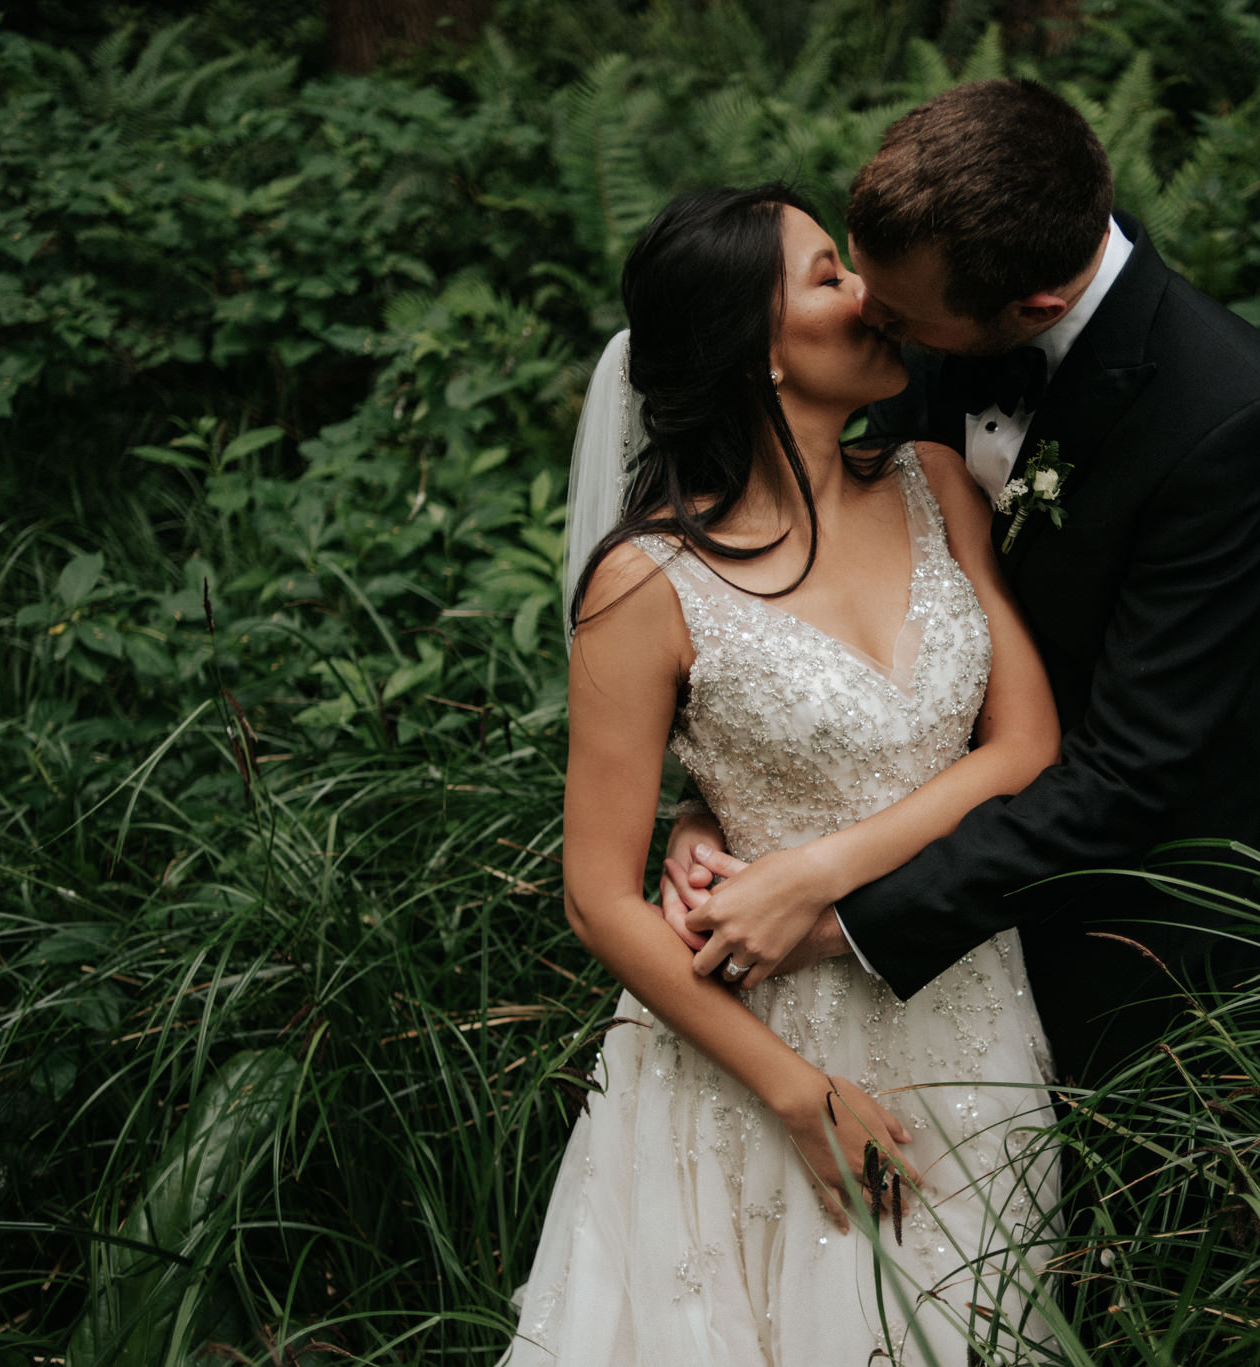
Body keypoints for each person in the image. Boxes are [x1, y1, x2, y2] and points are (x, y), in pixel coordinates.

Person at [502, 185, 1064, 1364]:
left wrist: (815, 867)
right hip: (753, 1041)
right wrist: (796, 1094)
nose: (869, 295)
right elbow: (597, 895)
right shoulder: (647, 582)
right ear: (758, 350)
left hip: (964, 1000)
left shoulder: (934, 481)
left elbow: (1023, 748)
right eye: (826, 276)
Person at [665, 80, 1260, 1082]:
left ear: (1033, 307)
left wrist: (835, 913)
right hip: (867, 890)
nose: (861, 320)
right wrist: (730, 809)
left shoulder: (1225, 421)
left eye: (900, 317)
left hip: (1110, 941)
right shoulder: (912, 308)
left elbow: (1130, 773)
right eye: (849, 276)